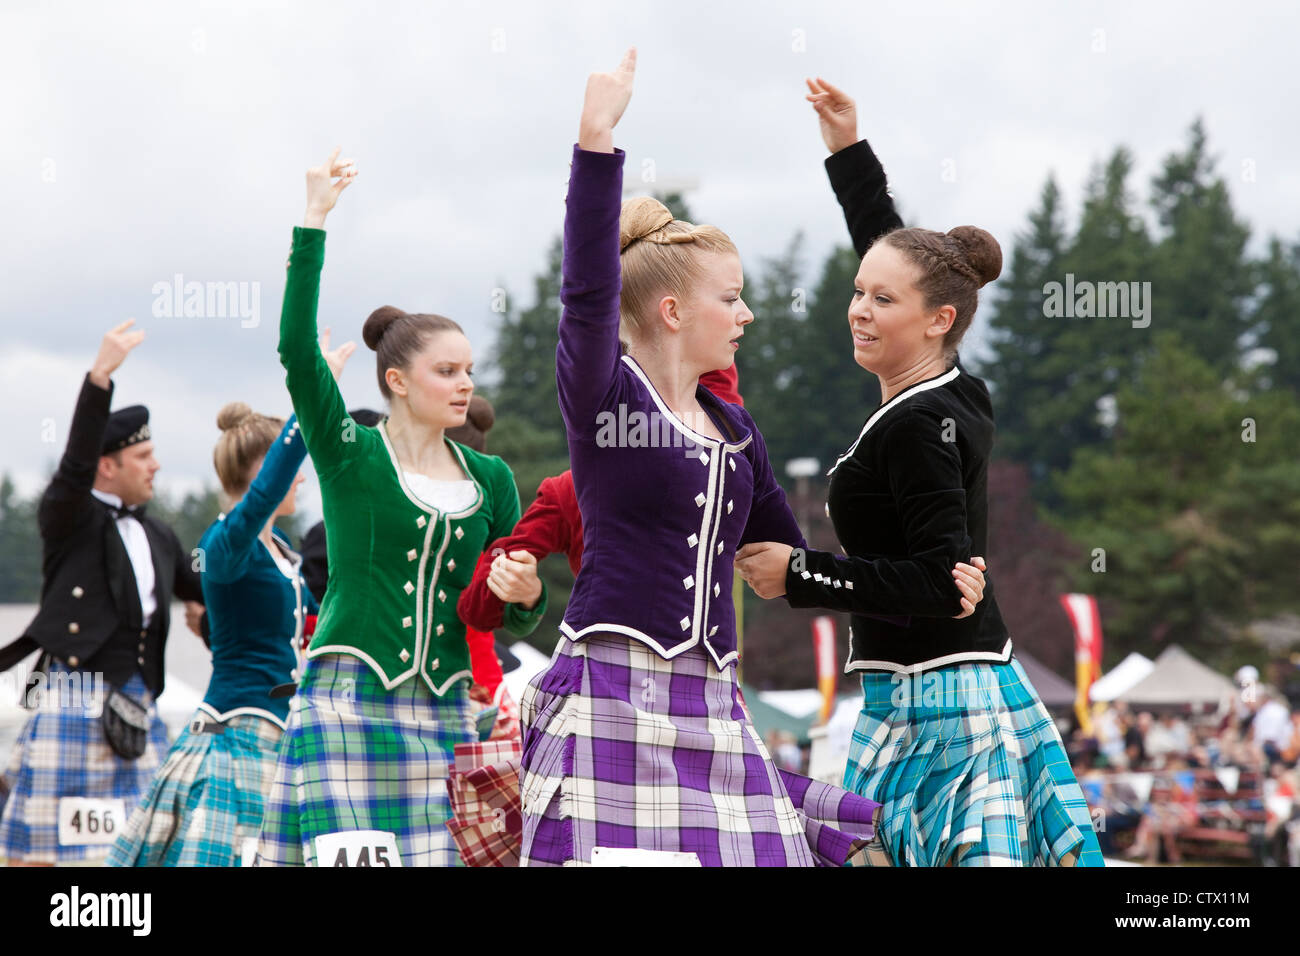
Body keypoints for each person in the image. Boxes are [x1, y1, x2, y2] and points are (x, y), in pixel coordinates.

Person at [518, 51, 986, 867]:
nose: (749, 313)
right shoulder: (606, 402)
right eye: (730, 298)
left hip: (714, 701)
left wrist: (929, 581)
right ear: (671, 311)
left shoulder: (736, 431)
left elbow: (789, 565)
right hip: (609, 689)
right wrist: (595, 143)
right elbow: (586, 298)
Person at [736, 77, 1103, 866]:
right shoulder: (950, 385)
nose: (861, 309)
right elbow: (899, 254)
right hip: (932, 688)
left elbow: (940, 582)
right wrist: (848, 150)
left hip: (944, 705)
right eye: (858, 292)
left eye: (883, 301)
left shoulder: (918, 427)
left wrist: (803, 574)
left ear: (939, 320)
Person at [253, 149, 546, 867]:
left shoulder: (492, 479)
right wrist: (313, 221)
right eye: (446, 371)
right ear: (397, 380)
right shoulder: (349, 452)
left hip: (448, 714)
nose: (464, 384)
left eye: (469, 371)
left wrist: (526, 594)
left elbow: (499, 608)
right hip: (344, 705)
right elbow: (296, 351)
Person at [107, 372, 349, 865]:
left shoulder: (282, 552)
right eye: (291, 466)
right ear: (264, 469)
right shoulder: (225, 545)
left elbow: (319, 633)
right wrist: (313, 388)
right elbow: (258, 500)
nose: (300, 477)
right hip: (235, 731)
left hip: (283, 731)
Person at [0, 321, 207, 865]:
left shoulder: (159, 535)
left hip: (139, 700)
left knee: (145, 843)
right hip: (75, 690)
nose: (157, 465)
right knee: (43, 850)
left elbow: (208, 590)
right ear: (107, 465)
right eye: (144, 456)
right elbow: (72, 467)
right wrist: (99, 378)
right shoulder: (69, 518)